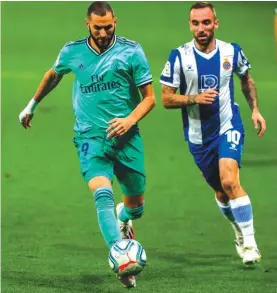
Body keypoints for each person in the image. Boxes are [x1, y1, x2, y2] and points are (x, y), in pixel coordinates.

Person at [19, 1, 156, 288]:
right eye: (98, 27)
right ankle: (121, 259)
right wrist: (32, 104)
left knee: (137, 205)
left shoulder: (132, 51)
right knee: (101, 193)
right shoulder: (73, 51)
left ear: (116, 21)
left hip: (127, 138)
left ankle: (124, 217)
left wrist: (129, 120)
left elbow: (150, 98)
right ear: (87, 24)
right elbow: (53, 74)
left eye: (109, 26)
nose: (104, 32)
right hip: (90, 138)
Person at [160, 1, 266, 266]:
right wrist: (195, 98)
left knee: (230, 181)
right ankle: (238, 230)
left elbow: (246, 79)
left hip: (229, 125)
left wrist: (255, 110)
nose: (201, 28)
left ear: (215, 23)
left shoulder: (232, 51)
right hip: (198, 136)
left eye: (206, 22)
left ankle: (251, 244)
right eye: (196, 23)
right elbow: (166, 99)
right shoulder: (179, 57)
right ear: (190, 25)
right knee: (221, 192)